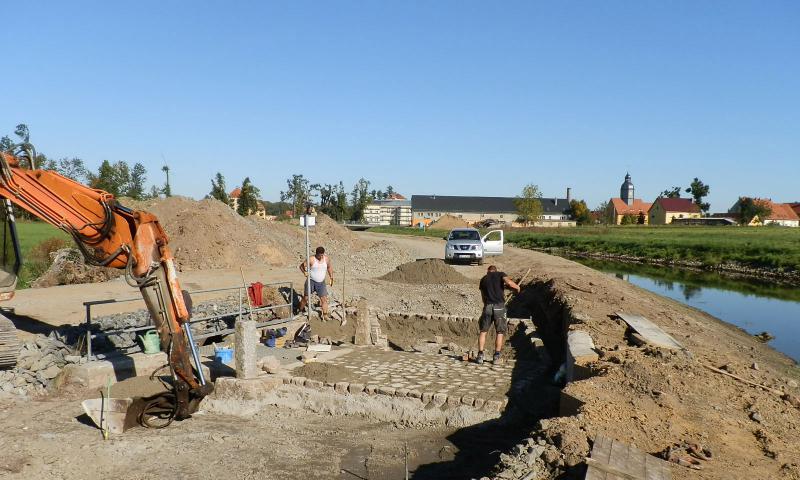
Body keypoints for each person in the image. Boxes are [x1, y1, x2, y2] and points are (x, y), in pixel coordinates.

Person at [477, 265, 520, 365]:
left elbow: (483, 297)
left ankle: (480, 355)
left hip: (487, 306)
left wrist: (487, 306)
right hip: (499, 307)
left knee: (483, 331)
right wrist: (517, 287)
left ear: (488, 271)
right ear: (495, 271)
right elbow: (509, 282)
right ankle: (496, 357)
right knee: (499, 332)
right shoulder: (500, 274)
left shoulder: (483, 279)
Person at [299, 246, 334, 320]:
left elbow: (329, 267)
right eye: (319, 255)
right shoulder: (311, 259)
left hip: (321, 283)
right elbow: (301, 266)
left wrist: (331, 277)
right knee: (306, 298)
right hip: (311, 281)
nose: (321, 256)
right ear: (316, 254)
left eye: (322, 255)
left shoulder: (326, 259)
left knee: (324, 299)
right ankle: (300, 310)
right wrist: (304, 272)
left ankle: (325, 315)